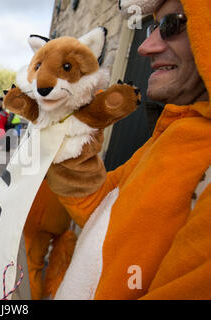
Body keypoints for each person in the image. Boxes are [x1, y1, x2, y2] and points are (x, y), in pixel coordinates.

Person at [24, 0, 211, 300]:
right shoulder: (173, 132)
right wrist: (67, 138)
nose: (145, 47)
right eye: (152, 27)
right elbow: (100, 206)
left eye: (171, 25)